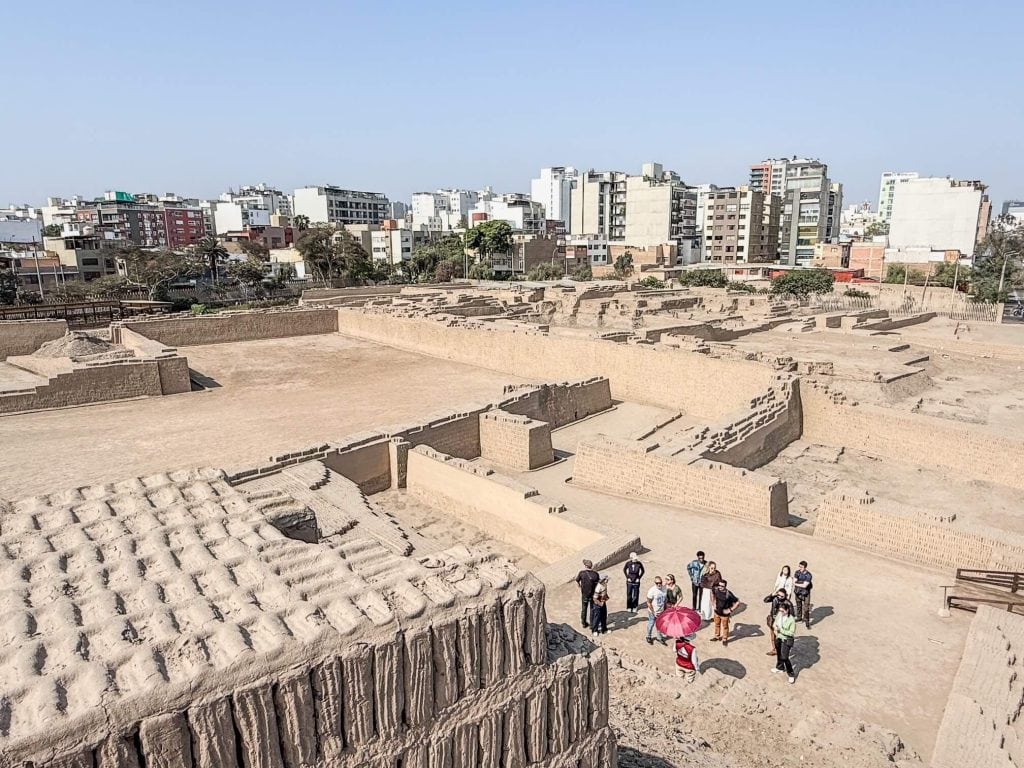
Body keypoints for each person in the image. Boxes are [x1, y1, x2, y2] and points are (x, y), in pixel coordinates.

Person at [763, 588, 794, 655]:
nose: (780, 597)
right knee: (773, 636)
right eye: (778, 595)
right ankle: (775, 649)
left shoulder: (788, 603)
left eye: (782, 596)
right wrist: (772, 595)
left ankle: (781, 650)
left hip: (782, 622)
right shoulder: (775, 598)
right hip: (773, 619)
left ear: (785, 595)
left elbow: (792, 615)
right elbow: (765, 600)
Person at [771, 602, 797, 683]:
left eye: (782, 611)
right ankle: (780, 667)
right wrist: (775, 627)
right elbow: (775, 623)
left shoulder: (791, 620)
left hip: (786, 639)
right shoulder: (779, 615)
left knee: (785, 657)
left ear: (787, 610)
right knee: (779, 653)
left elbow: (791, 633)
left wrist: (781, 630)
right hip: (778, 637)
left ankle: (791, 673)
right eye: (780, 611)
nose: (781, 612)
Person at [710, 579, 739, 646]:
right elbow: (712, 593)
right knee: (717, 624)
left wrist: (730, 610)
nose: (720, 587)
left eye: (722, 586)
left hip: (724, 615)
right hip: (716, 612)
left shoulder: (728, 594)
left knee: (725, 627)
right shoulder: (716, 590)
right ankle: (717, 636)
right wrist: (713, 603)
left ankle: (724, 639)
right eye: (719, 585)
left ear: (725, 586)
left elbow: (737, 602)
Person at [575, 559, 600, 629]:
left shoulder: (581, 573)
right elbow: (598, 583)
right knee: (592, 609)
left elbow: (577, 580)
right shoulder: (596, 574)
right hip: (592, 594)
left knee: (584, 608)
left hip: (584, 594)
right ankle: (592, 625)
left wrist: (580, 586)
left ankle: (584, 623)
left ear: (586, 566)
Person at [645, 576, 668, 645]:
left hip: (661, 611)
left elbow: (665, 600)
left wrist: (665, 609)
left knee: (659, 625)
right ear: (655, 583)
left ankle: (659, 638)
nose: (659, 584)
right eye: (657, 583)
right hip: (653, 611)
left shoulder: (664, 589)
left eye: (660, 582)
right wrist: (653, 612)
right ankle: (648, 636)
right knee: (651, 623)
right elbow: (648, 602)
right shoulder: (652, 591)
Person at [793, 560, 813, 627]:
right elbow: (794, 581)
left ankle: (806, 621)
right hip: (798, 592)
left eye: (801, 567)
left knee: (806, 607)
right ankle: (799, 617)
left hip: (806, 592)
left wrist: (797, 583)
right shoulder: (797, 572)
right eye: (799, 566)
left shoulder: (808, 575)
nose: (800, 568)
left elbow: (805, 585)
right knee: (798, 605)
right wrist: (800, 583)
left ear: (805, 567)